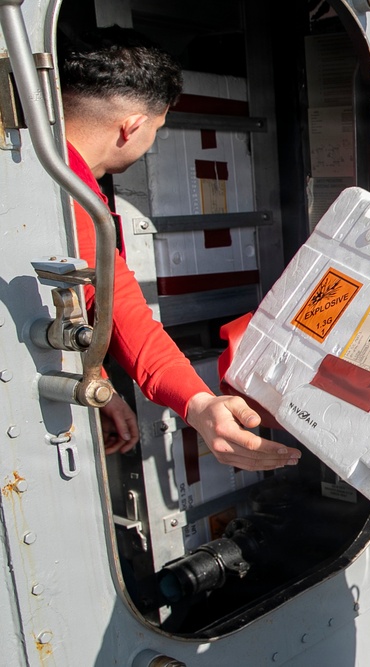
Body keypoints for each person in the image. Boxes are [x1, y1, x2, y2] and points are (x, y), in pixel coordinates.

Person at [59, 26, 300, 470]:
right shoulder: (72, 205)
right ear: (131, 126)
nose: (153, 141)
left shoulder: (40, 169)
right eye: (158, 127)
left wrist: (97, 381)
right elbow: (123, 314)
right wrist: (199, 402)